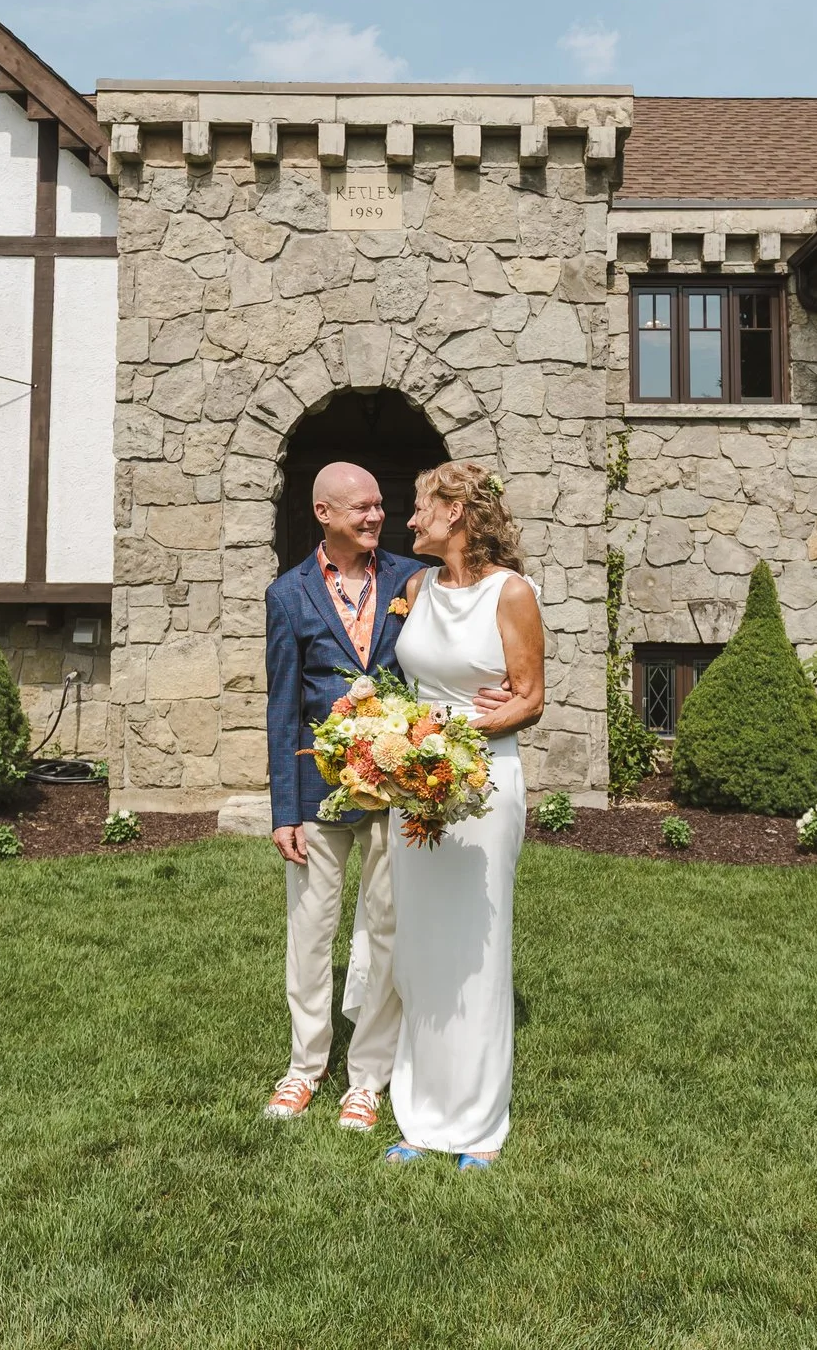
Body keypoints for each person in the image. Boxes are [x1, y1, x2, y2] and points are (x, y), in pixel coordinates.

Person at [380, 460, 544, 1170]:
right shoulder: (416, 587)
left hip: (482, 785)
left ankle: (477, 1126)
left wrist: (458, 744)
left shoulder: (511, 594)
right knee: (419, 951)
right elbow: (403, 679)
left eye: (421, 507)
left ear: (457, 513)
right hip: (414, 783)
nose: (410, 520)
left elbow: (530, 697)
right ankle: (419, 1118)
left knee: (476, 953)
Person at [259, 462, 425, 1132]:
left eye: (380, 505)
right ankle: (304, 1068)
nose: (375, 516)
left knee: (386, 930)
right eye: (360, 507)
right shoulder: (288, 593)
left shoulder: (412, 579)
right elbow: (281, 705)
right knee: (311, 931)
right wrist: (284, 809)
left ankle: (368, 1077)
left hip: (392, 785)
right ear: (324, 513)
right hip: (317, 791)